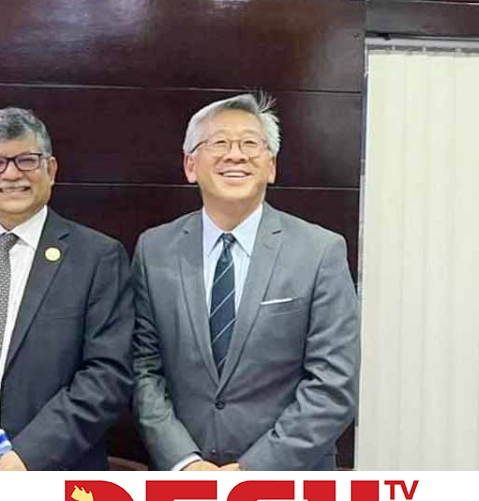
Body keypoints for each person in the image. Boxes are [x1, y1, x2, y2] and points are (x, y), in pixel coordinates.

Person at [132, 93, 360, 471]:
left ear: (271, 166)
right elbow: (144, 369)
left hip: (290, 479)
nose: (235, 155)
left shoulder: (320, 251)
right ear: (190, 165)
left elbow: (333, 384)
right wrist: (184, 461)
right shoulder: (154, 250)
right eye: (219, 143)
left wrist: (252, 470)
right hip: (187, 479)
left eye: (250, 144)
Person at [0, 107, 134, 471]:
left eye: (26, 160)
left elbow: (107, 375)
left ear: (50, 170)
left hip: (52, 473)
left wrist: (26, 457)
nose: (11, 174)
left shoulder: (97, 256)